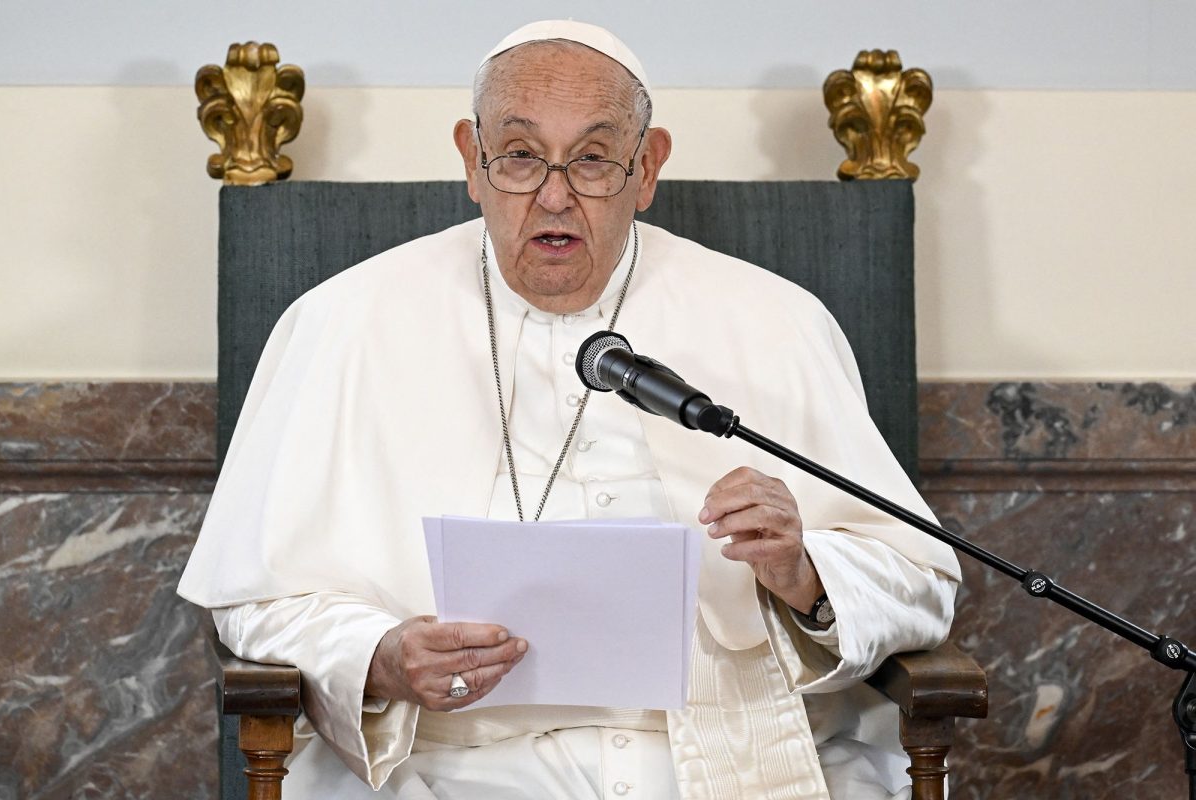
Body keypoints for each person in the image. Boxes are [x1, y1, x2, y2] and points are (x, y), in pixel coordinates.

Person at [179, 20, 961, 800]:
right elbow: (254, 601)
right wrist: (379, 654)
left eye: (592, 159)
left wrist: (805, 573)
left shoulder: (776, 320)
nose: (553, 195)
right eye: (519, 156)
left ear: (647, 168)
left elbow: (920, 583)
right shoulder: (341, 322)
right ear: (471, 161)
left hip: (730, 764)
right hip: (445, 771)